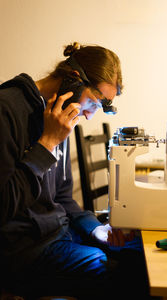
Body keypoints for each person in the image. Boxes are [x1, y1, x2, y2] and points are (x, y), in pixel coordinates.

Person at [0, 42, 149, 299]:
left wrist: (94, 228)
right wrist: (47, 144)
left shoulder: (60, 113)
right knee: (128, 273)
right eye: (92, 103)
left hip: (61, 232)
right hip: (24, 252)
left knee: (142, 251)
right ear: (73, 80)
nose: (90, 116)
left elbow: (63, 197)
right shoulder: (7, 109)